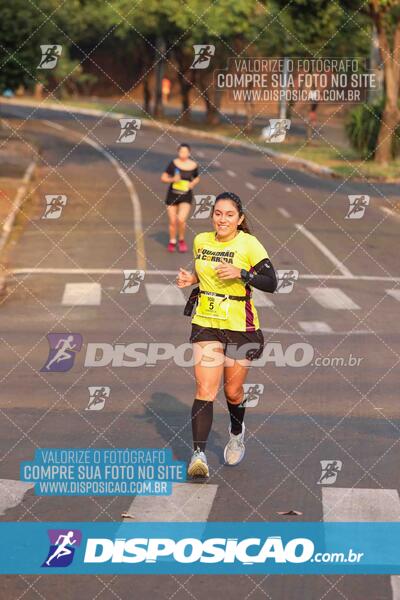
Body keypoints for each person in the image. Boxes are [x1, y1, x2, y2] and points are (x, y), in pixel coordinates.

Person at [176, 191, 277, 478]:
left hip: (240, 326)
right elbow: (203, 270)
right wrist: (191, 279)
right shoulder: (202, 241)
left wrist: (242, 274)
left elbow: (271, 282)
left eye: (229, 214)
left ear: (240, 218)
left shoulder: (249, 244)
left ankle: (236, 431)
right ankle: (199, 455)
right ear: (212, 216)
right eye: (218, 213)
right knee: (205, 389)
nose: (222, 219)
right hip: (206, 321)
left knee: (232, 391)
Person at [161, 143, 200, 253]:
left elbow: (197, 178)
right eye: (181, 151)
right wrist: (172, 179)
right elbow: (163, 178)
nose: (183, 154)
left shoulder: (193, 165)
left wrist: (192, 184)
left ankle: (181, 240)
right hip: (172, 195)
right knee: (173, 221)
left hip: (186, 195)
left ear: (189, 153)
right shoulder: (173, 164)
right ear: (178, 152)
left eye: (185, 152)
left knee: (181, 219)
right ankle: (172, 241)